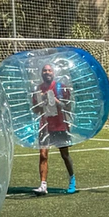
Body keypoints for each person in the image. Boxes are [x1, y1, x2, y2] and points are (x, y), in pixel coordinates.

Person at [32, 63, 76, 195]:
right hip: (44, 125)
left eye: (49, 70)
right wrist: (41, 101)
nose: (47, 72)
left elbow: (68, 108)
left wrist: (56, 101)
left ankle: (72, 179)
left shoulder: (60, 87)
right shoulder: (38, 89)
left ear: (53, 73)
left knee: (65, 155)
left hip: (59, 125)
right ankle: (43, 185)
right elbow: (35, 110)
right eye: (44, 70)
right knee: (43, 155)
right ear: (42, 74)